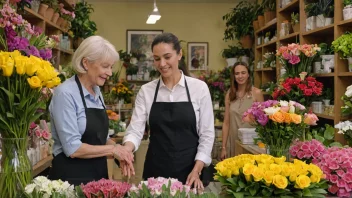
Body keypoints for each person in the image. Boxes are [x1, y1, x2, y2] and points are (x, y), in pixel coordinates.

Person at [122, 32, 215, 189]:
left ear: (179, 54)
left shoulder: (199, 88)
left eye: (167, 57)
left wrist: (197, 169)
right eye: (157, 59)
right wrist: (126, 150)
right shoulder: (147, 91)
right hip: (156, 170)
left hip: (190, 171)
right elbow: (136, 130)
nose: (162, 64)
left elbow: (207, 134)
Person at [48, 36, 134, 186]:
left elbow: (101, 138)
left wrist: (121, 153)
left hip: (98, 177)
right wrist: (113, 150)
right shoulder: (65, 94)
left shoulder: (97, 91)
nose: (109, 72)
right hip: (71, 179)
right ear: (86, 63)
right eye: (105, 66)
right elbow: (73, 148)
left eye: (111, 67)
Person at [220, 62, 264, 160]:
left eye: (243, 73)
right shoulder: (230, 94)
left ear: (248, 74)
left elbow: (263, 121)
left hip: (251, 144)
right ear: (234, 76)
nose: (240, 76)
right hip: (232, 142)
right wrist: (223, 147)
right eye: (237, 73)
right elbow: (226, 123)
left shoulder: (256, 93)